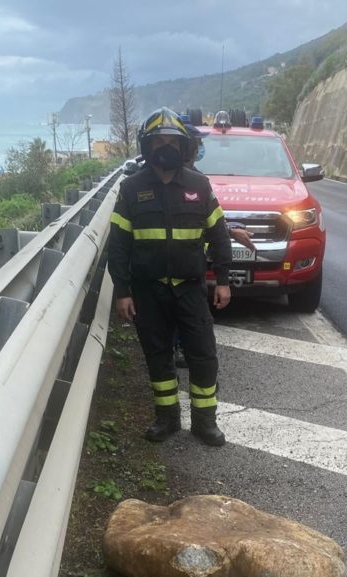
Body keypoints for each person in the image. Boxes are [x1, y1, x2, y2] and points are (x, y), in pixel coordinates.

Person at [107, 107, 233, 447]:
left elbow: (220, 236)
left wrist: (222, 280)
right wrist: (122, 291)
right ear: (147, 147)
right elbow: (117, 245)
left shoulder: (199, 185)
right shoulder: (131, 189)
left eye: (172, 142)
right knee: (157, 355)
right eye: (158, 141)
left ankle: (205, 422)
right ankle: (167, 419)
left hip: (190, 289)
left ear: (184, 147)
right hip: (148, 292)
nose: (166, 147)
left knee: (203, 355)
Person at [172, 121, 256, 369]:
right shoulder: (160, 180)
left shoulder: (196, 178)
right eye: (196, 142)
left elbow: (206, 217)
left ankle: (182, 347)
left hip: (189, 267)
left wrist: (229, 229)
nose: (199, 147)